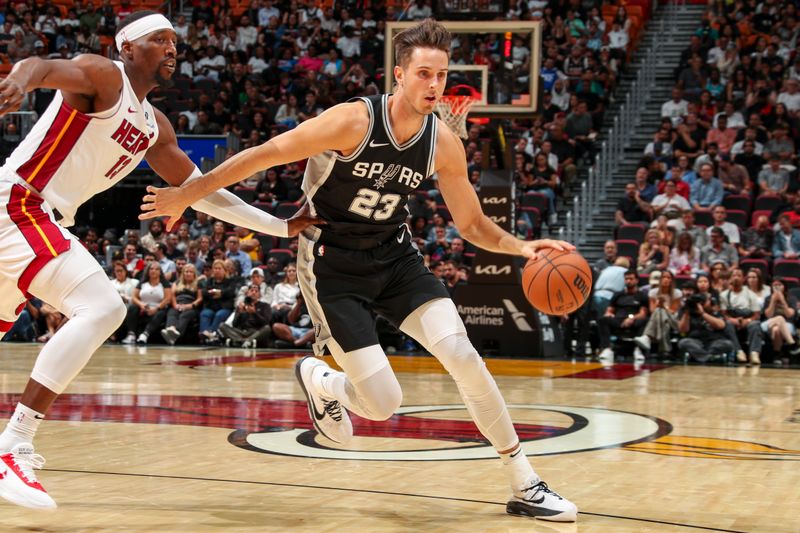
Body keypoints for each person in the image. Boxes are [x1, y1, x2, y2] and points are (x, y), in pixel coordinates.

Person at [139, 19, 578, 522]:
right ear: (399, 74)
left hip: (396, 257)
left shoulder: (442, 143)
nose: (434, 86)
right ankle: (321, 380)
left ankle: (525, 480)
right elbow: (263, 156)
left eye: (441, 76)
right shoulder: (352, 122)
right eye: (424, 75)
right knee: (383, 404)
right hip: (333, 265)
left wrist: (522, 247)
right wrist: (186, 195)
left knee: (462, 354)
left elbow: (473, 223)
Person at [0, 11, 319, 510]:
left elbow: (204, 194)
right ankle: (13, 444)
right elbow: (41, 66)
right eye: (159, 39)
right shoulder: (104, 76)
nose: (172, 48)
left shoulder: (154, 127)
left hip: (34, 219)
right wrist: (19, 78)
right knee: (103, 307)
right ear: (128, 48)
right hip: (19, 202)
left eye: (175, 41)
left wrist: (279, 225)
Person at [597, 270, 649, 363]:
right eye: (626, 279)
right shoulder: (618, 294)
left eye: (631, 279)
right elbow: (609, 310)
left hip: (634, 320)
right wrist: (609, 314)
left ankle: (638, 350)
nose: (628, 281)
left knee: (644, 320)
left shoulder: (642, 295)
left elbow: (643, 313)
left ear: (637, 280)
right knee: (603, 319)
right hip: (619, 320)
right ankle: (607, 349)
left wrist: (632, 318)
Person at [720, 268, 764, 365]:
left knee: (755, 324)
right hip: (732, 319)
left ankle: (754, 353)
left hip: (748, 318)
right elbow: (723, 313)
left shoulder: (750, 294)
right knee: (727, 324)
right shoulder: (724, 295)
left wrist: (747, 321)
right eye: (734, 275)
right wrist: (733, 320)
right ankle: (738, 351)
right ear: (730, 278)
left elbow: (756, 314)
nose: (736, 278)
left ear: (743, 279)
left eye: (739, 275)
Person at [121, 261, 171, 345]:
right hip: (143, 307)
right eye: (151, 269)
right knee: (133, 307)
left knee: (162, 312)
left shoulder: (164, 284)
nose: (153, 271)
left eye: (156, 269)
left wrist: (156, 308)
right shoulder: (142, 283)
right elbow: (134, 297)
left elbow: (167, 299)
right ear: (148, 271)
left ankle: (145, 334)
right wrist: (141, 305)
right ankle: (131, 335)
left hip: (158, 308)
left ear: (160, 272)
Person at [160, 263, 202, 346]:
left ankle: (176, 333)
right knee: (172, 313)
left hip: (191, 306)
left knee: (185, 315)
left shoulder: (198, 284)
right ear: (183, 273)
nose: (188, 273)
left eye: (190, 272)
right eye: (186, 272)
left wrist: (190, 306)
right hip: (178, 304)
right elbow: (172, 295)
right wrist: (175, 305)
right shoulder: (177, 282)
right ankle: (170, 330)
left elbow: (200, 298)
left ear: (194, 274)